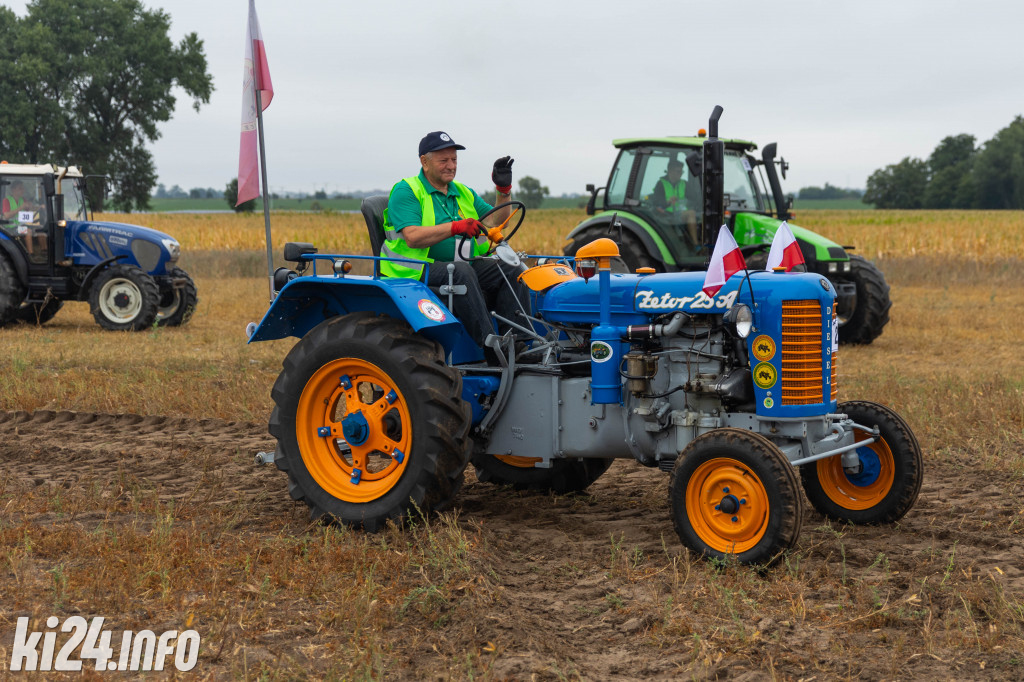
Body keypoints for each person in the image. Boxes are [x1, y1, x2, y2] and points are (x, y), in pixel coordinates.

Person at [380, 131, 530, 359]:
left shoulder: (462, 192)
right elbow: (412, 236)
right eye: (444, 160)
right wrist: (456, 227)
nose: (451, 166)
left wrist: (503, 191)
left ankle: (518, 346)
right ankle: (491, 348)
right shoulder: (407, 190)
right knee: (460, 272)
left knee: (510, 268)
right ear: (424, 162)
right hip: (414, 270)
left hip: (458, 265)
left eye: (454, 160)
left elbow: (496, 221)